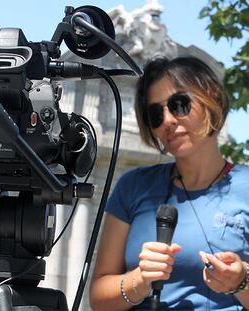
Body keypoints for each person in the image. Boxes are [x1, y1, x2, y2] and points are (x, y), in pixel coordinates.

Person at [89, 56, 249, 310]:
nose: (168, 121)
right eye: (155, 114)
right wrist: (139, 281)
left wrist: (242, 282)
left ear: (213, 100)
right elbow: (98, 299)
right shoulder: (133, 186)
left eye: (180, 105)